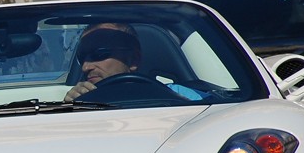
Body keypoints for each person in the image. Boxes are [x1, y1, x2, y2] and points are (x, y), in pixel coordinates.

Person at [64, 24, 204, 102]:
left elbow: (214, 112)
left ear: (133, 60)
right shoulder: (78, 100)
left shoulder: (177, 93)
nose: (85, 66)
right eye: (82, 57)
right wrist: (70, 107)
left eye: (99, 54)